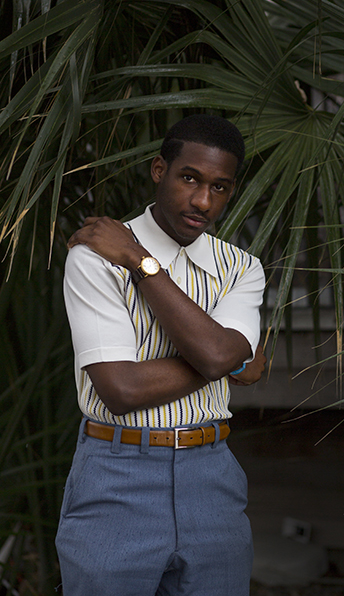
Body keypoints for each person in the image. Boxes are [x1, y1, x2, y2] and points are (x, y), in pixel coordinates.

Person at [56, 114, 266, 596]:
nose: (202, 201)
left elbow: (216, 355)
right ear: (159, 170)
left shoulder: (240, 268)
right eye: (189, 178)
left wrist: (139, 262)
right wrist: (231, 362)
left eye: (220, 187)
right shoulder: (94, 255)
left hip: (212, 476)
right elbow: (122, 389)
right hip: (116, 476)